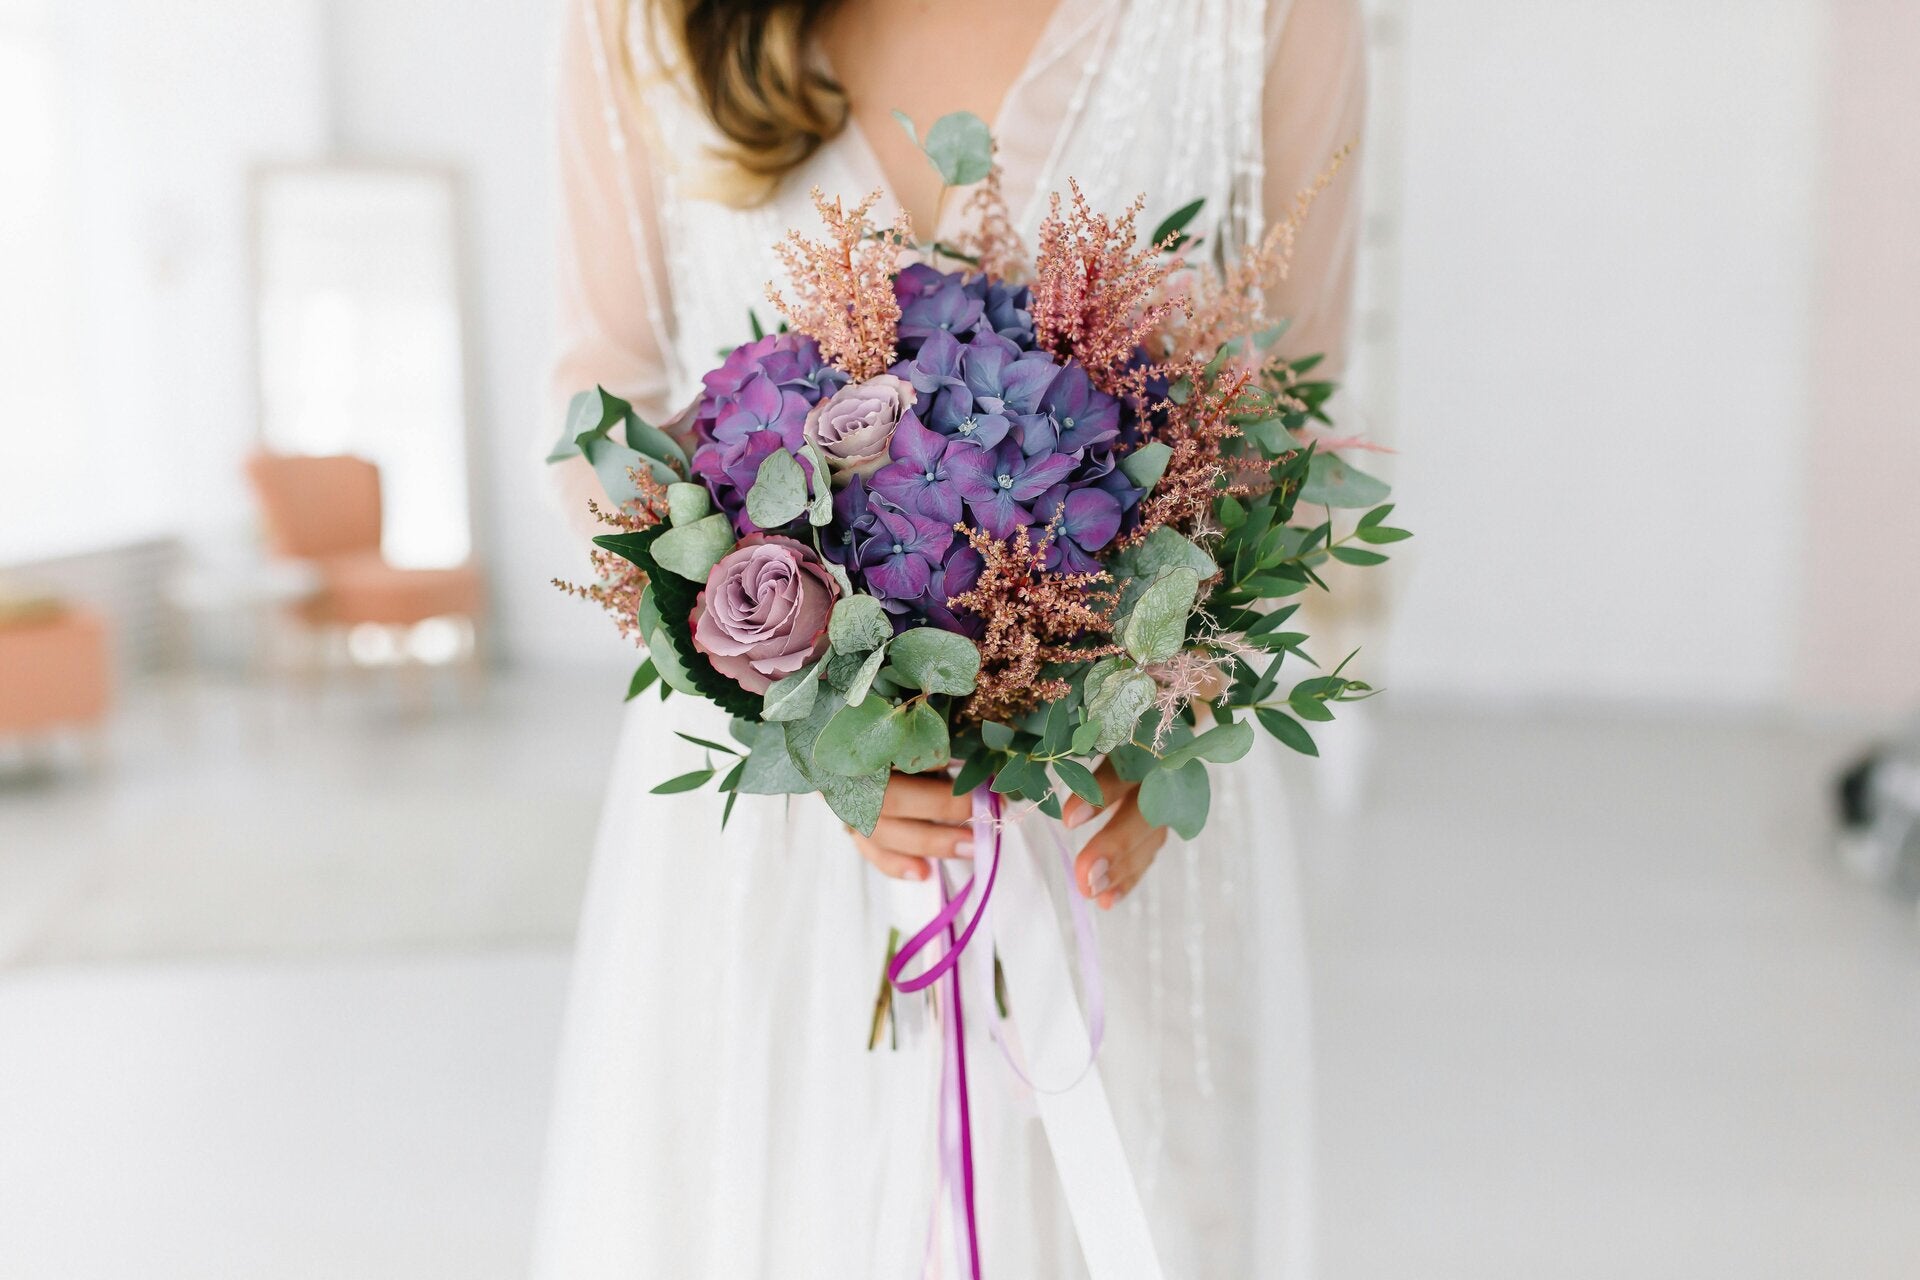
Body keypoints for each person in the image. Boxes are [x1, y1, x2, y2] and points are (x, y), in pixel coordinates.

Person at [534, 0, 1364, 1273]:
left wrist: (1174, 695)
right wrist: (803, 714)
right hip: (785, 835)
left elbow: (1291, 417)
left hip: (1105, 808)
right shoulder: (638, 21)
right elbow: (600, 404)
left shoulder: (1257, 18)